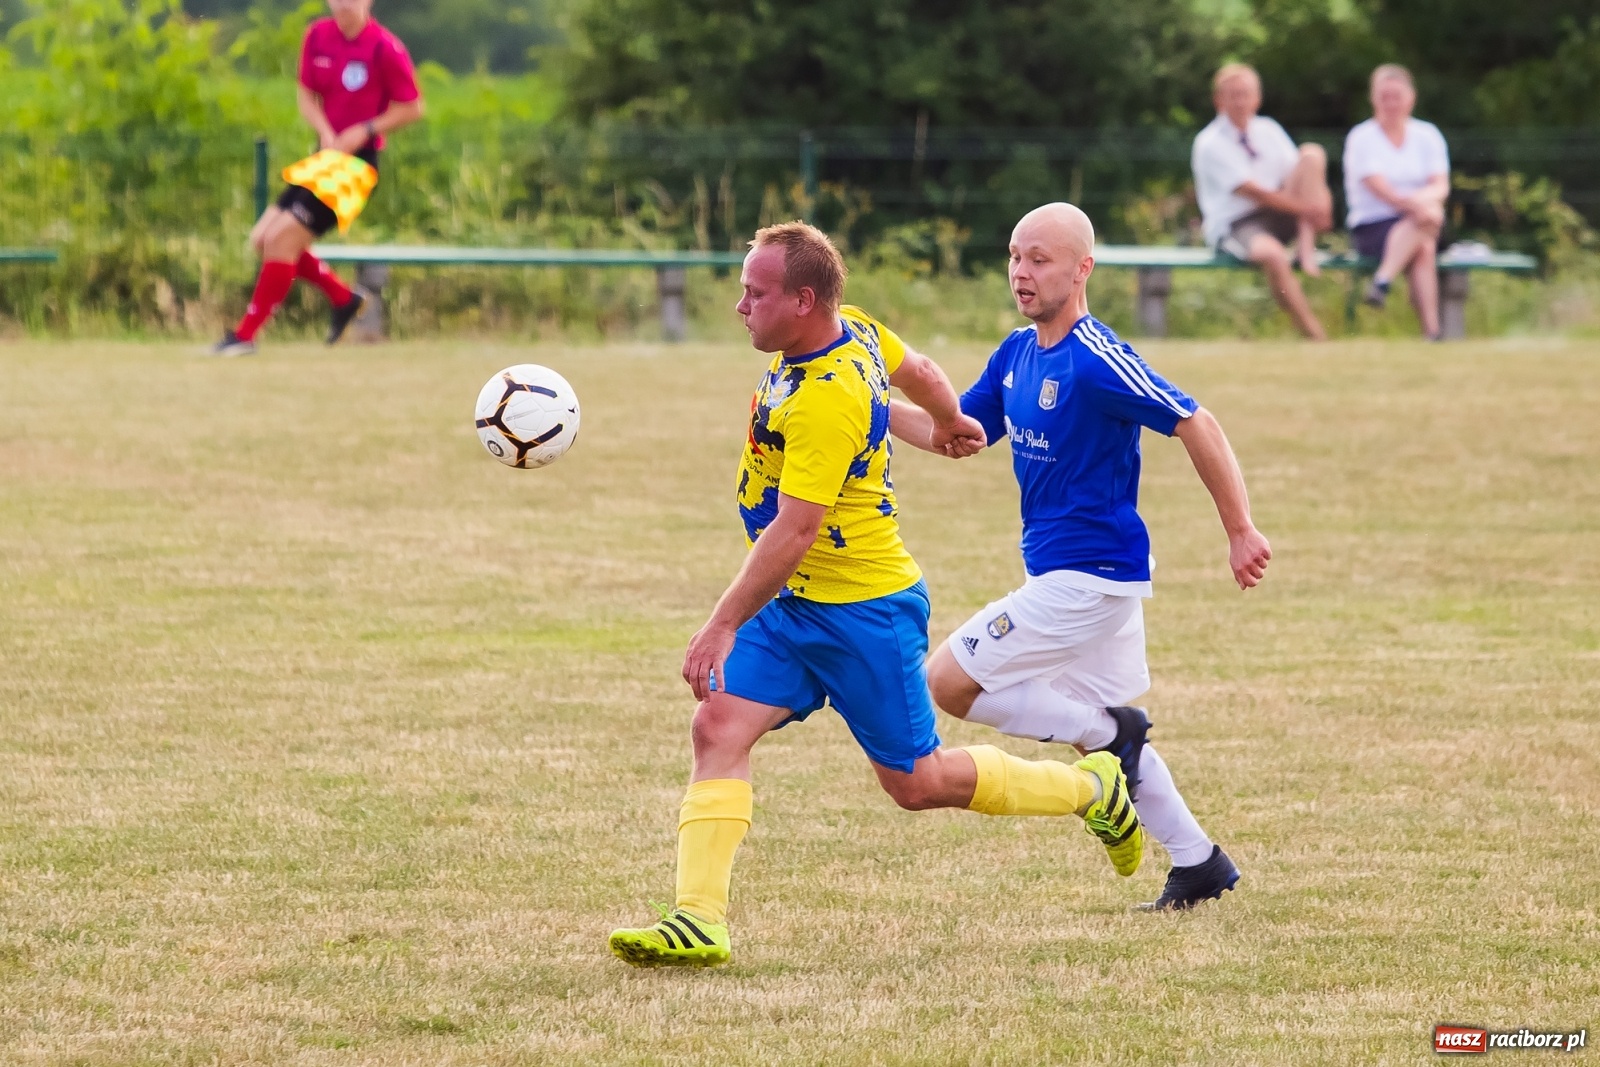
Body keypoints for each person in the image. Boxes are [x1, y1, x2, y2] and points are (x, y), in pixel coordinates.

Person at [608, 222, 1149, 968]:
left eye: (754, 293)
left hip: (862, 613)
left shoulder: (828, 397)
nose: (740, 306)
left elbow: (795, 531)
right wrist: (954, 422)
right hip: (796, 604)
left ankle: (1091, 787)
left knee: (917, 782)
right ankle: (700, 918)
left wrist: (719, 623)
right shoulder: (850, 330)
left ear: (803, 300)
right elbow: (919, 367)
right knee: (718, 727)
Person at [891, 203, 1271, 911]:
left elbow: (1196, 420)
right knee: (1095, 724)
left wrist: (1240, 529)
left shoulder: (1097, 357)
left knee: (947, 682)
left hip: (1092, 580)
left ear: (1082, 268)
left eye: (1039, 258)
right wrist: (873, 408)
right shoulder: (1016, 352)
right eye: (1014, 255)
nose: (1021, 271)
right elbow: (961, 434)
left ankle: (1109, 734)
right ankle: (1199, 861)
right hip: (1067, 576)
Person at [212, 0, 423, 357]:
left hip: (355, 166)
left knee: (281, 242)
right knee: (263, 238)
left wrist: (365, 130)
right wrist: (325, 130)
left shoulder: (385, 47)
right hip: (325, 157)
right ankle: (344, 298)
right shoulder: (317, 36)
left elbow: (412, 107)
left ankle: (246, 335)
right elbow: (306, 95)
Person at [1192, 63, 1333, 341]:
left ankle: (1306, 245)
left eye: (1245, 94)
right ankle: (1314, 334)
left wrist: (1320, 204)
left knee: (1312, 154)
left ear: (1257, 98)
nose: (1240, 101)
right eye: (1233, 95)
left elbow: (1301, 175)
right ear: (1219, 100)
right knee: (1272, 255)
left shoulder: (1268, 130)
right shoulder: (1209, 143)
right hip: (1236, 223)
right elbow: (1255, 193)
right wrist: (1311, 211)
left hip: (1279, 211)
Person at [1343, 64, 1450, 340]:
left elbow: (1440, 185)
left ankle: (1383, 281)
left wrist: (1420, 204)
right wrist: (1419, 206)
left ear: (1410, 98)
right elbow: (1380, 189)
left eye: (1396, 96)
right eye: (1384, 96)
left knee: (1424, 241)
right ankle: (1432, 329)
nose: (1390, 103)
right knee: (1426, 234)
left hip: (1418, 219)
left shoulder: (1427, 135)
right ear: (1373, 99)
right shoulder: (1361, 137)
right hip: (1374, 224)